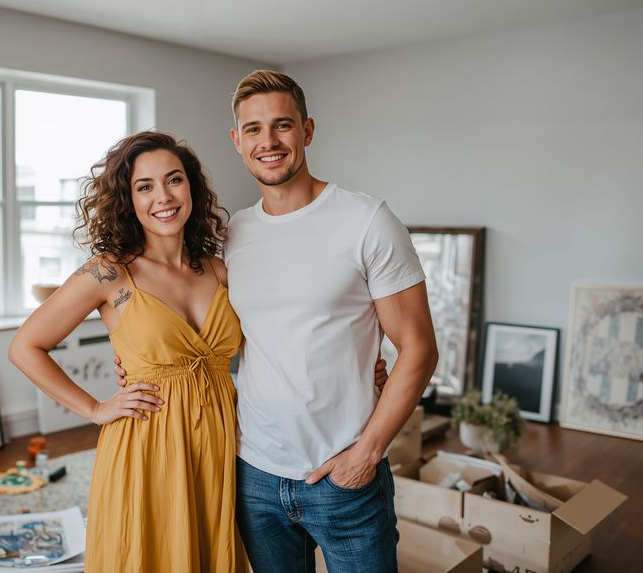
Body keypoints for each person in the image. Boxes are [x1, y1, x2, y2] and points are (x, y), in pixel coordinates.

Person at [117, 70, 438, 572]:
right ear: (237, 140)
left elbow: (419, 348)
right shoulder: (234, 236)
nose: (268, 142)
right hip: (253, 474)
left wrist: (366, 453)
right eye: (253, 129)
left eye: (282, 126)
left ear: (307, 131)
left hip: (343, 474)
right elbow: (213, 328)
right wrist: (139, 360)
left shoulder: (367, 221)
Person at [8, 131, 246, 572]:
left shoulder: (218, 269)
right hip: (145, 441)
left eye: (173, 180)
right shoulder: (110, 272)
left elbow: (274, 338)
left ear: (190, 186)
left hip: (217, 440)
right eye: (145, 186)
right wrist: (95, 408)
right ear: (128, 199)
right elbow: (25, 346)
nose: (163, 197)